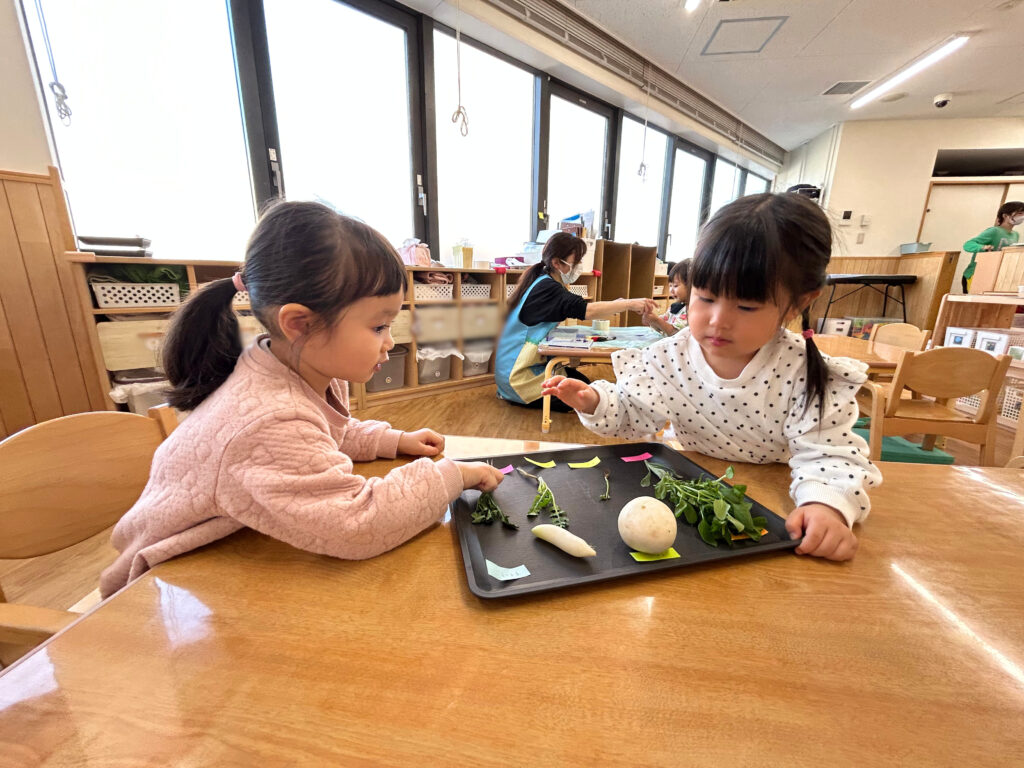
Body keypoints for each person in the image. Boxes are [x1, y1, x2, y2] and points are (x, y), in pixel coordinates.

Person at [100, 202, 504, 596]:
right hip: (161, 586)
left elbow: (323, 435)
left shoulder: (296, 367)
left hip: (232, 549)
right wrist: (452, 475)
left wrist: (390, 440)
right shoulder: (268, 420)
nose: (390, 341)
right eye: (379, 325)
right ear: (298, 323)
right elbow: (358, 524)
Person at [542, 193, 883, 562]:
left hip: (769, 497)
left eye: (746, 306)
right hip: (689, 487)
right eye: (705, 298)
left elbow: (830, 457)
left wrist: (826, 507)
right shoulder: (667, 357)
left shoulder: (804, 372)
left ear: (799, 302)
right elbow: (636, 415)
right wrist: (595, 401)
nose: (718, 320)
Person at [496, 232, 657, 410]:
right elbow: (585, 310)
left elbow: (578, 306)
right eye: (576, 262)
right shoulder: (548, 288)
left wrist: (617, 304)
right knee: (581, 395)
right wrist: (628, 304)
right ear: (557, 263)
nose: (579, 267)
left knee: (583, 384)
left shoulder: (542, 280)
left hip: (512, 369)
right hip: (517, 377)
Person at [961, 201, 1024, 292]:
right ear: (1005, 216)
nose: (1022, 216)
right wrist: (982, 247)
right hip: (976, 274)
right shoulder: (994, 231)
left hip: (995, 276)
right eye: (1019, 213)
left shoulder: (1015, 235)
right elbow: (968, 244)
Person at [642, 258, 690, 336]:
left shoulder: (689, 310)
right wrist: (651, 320)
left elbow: (675, 333)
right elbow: (662, 327)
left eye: (675, 285)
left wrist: (656, 320)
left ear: (691, 286)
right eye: (670, 286)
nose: (671, 290)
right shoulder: (674, 306)